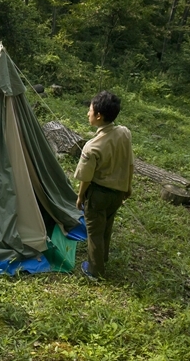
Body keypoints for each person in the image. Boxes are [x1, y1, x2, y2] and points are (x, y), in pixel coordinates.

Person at [74, 90, 134, 280]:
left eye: (90, 111)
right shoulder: (124, 133)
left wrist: (80, 196)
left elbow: (86, 177)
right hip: (118, 193)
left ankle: (94, 270)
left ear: (98, 116)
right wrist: (128, 186)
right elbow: (130, 163)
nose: (87, 114)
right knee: (106, 226)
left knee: (94, 232)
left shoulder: (92, 146)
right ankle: (103, 257)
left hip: (99, 194)